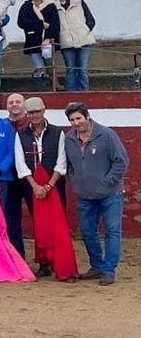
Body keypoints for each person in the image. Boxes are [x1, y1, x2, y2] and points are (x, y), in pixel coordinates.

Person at [64, 102, 129, 286]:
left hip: (110, 193)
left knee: (112, 231)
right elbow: (69, 164)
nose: (76, 123)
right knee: (87, 231)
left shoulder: (107, 135)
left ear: (87, 116)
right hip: (84, 194)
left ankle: (109, 270)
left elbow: (121, 161)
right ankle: (97, 265)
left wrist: (107, 181)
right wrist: (75, 180)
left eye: (78, 118)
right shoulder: (70, 139)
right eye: (72, 120)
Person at [14, 97, 74, 280]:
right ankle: (44, 263)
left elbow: (62, 162)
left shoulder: (57, 133)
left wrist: (48, 185)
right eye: (30, 113)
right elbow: (20, 163)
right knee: (38, 224)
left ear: (44, 111)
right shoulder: (21, 134)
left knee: (58, 223)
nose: (34, 116)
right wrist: (34, 186)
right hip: (32, 187)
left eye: (37, 112)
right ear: (27, 114)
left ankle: (59, 261)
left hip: (54, 185)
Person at [53, 0, 96, 91]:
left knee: (82, 69)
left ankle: (84, 93)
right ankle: (70, 95)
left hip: (84, 39)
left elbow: (90, 19)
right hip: (66, 42)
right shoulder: (53, 6)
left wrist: (85, 30)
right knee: (70, 69)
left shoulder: (79, 1)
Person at [3, 93, 32, 257]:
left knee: (39, 218)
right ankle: (17, 257)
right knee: (11, 219)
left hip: (30, 178)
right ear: (7, 106)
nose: (14, 104)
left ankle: (44, 260)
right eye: (11, 102)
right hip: (9, 178)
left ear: (24, 105)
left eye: (18, 102)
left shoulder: (32, 124)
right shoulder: (2, 125)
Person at [17, 0, 60, 87]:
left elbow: (55, 24)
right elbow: (21, 23)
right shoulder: (26, 7)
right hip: (33, 43)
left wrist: (48, 38)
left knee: (50, 65)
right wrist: (40, 24)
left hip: (47, 43)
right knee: (38, 67)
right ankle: (40, 88)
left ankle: (54, 85)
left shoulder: (50, 6)